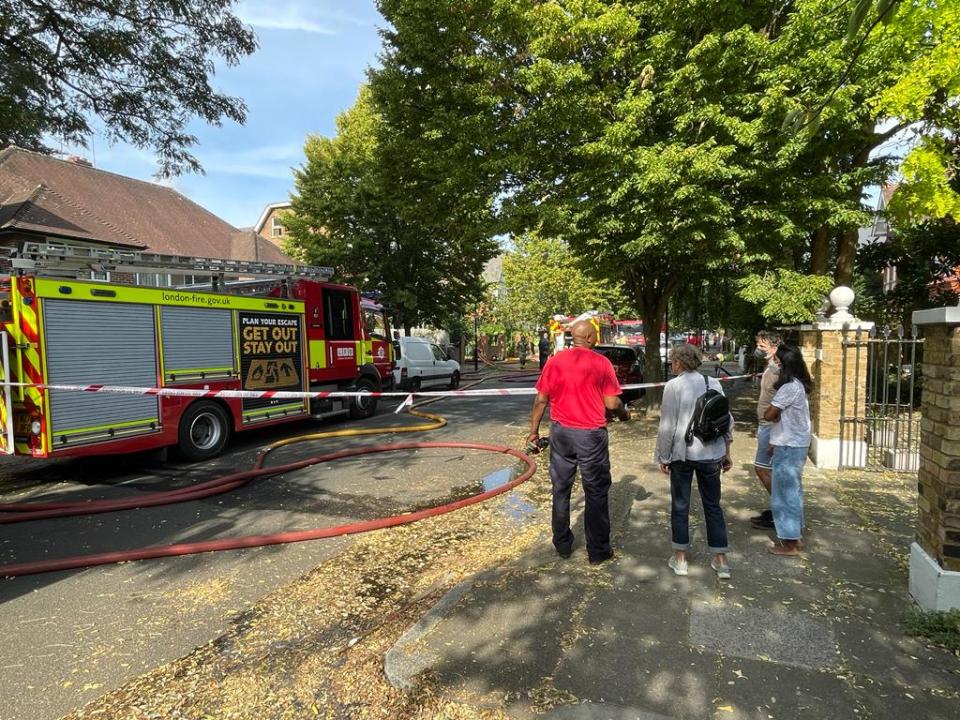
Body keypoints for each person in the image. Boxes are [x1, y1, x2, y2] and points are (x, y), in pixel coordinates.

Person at [528, 320, 629, 565]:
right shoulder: (601, 363)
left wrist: (533, 431)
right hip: (590, 436)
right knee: (595, 492)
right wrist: (625, 414)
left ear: (573, 337)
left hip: (561, 434)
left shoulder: (554, 362)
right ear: (592, 338)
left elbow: (541, 400)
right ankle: (598, 551)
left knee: (561, 488)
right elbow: (612, 403)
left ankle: (562, 544)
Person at [655, 343, 733, 579]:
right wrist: (727, 451)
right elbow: (725, 420)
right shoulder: (714, 383)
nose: (671, 363)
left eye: (672, 360)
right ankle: (721, 561)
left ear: (679, 362)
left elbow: (667, 425)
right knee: (713, 505)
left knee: (680, 506)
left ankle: (680, 560)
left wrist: (663, 456)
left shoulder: (673, 386)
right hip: (711, 453)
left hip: (684, 454)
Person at [764, 344, 812, 557]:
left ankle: (789, 543)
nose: (774, 365)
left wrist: (772, 416)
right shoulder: (798, 385)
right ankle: (796, 536)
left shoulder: (789, 388)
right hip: (795, 443)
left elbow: (769, 414)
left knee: (784, 494)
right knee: (793, 492)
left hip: (789, 446)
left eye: (777, 362)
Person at [751, 331, 781, 530]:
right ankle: (779, 509)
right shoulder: (771, 367)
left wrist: (774, 437)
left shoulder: (778, 371)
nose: (758, 350)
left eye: (762, 347)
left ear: (774, 347)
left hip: (772, 427)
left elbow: (782, 405)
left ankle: (781, 510)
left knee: (762, 469)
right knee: (768, 469)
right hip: (766, 425)